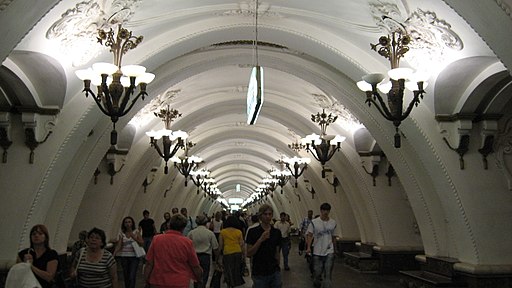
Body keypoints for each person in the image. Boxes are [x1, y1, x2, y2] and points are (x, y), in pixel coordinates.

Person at [143, 214, 203, 288]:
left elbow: (149, 263)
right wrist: (199, 279)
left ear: (169, 225)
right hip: (180, 282)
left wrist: (146, 280)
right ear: (183, 228)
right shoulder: (187, 242)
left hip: (158, 281)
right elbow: (195, 266)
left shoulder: (157, 239)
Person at [246, 204, 282, 288]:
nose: (268, 216)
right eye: (265, 214)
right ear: (260, 216)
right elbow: (249, 253)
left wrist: (278, 267)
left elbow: (277, 252)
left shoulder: (276, 232)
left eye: (270, 214)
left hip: (274, 271)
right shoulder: (252, 232)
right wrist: (260, 240)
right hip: (259, 272)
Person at [306, 203, 339, 288]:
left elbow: (334, 237)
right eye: (324, 210)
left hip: (329, 251)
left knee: (328, 273)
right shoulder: (314, 222)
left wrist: (335, 249)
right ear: (321, 211)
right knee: (317, 272)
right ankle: (316, 283)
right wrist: (308, 247)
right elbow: (309, 235)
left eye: (327, 210)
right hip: (317, 251)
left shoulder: (333, 223)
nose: (325, 212)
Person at [188, 215, 219, 288]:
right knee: (204, 275)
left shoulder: (191, 233)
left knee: (195, 275)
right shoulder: (210, 233)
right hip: (206, 257)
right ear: (206, 222)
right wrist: (217, 260)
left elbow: (187, 246)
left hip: (194, 256)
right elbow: (215, 247)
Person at [114, 216, 143, 288]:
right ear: (123, 224)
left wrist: (134, 237)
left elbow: (142, 242)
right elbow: (119, 245)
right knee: (126, 276)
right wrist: (114, 253)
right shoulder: (122, 234)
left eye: (129, 222)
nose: (127, 224)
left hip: (134, 257)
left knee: (132, 275)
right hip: (124, 256)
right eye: (126, 222)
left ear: (132, 223)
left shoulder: (136, 232)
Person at [218, 215, 245, 288]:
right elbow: (242, 244)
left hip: (227, 252)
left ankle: (229, 284)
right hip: (237, 252)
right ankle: (234, 284)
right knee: (236, 270)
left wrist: (218, 257)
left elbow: (220, 245)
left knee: (228, 270)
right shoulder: (239, 232)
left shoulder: (223, 232)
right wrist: (244, 256)